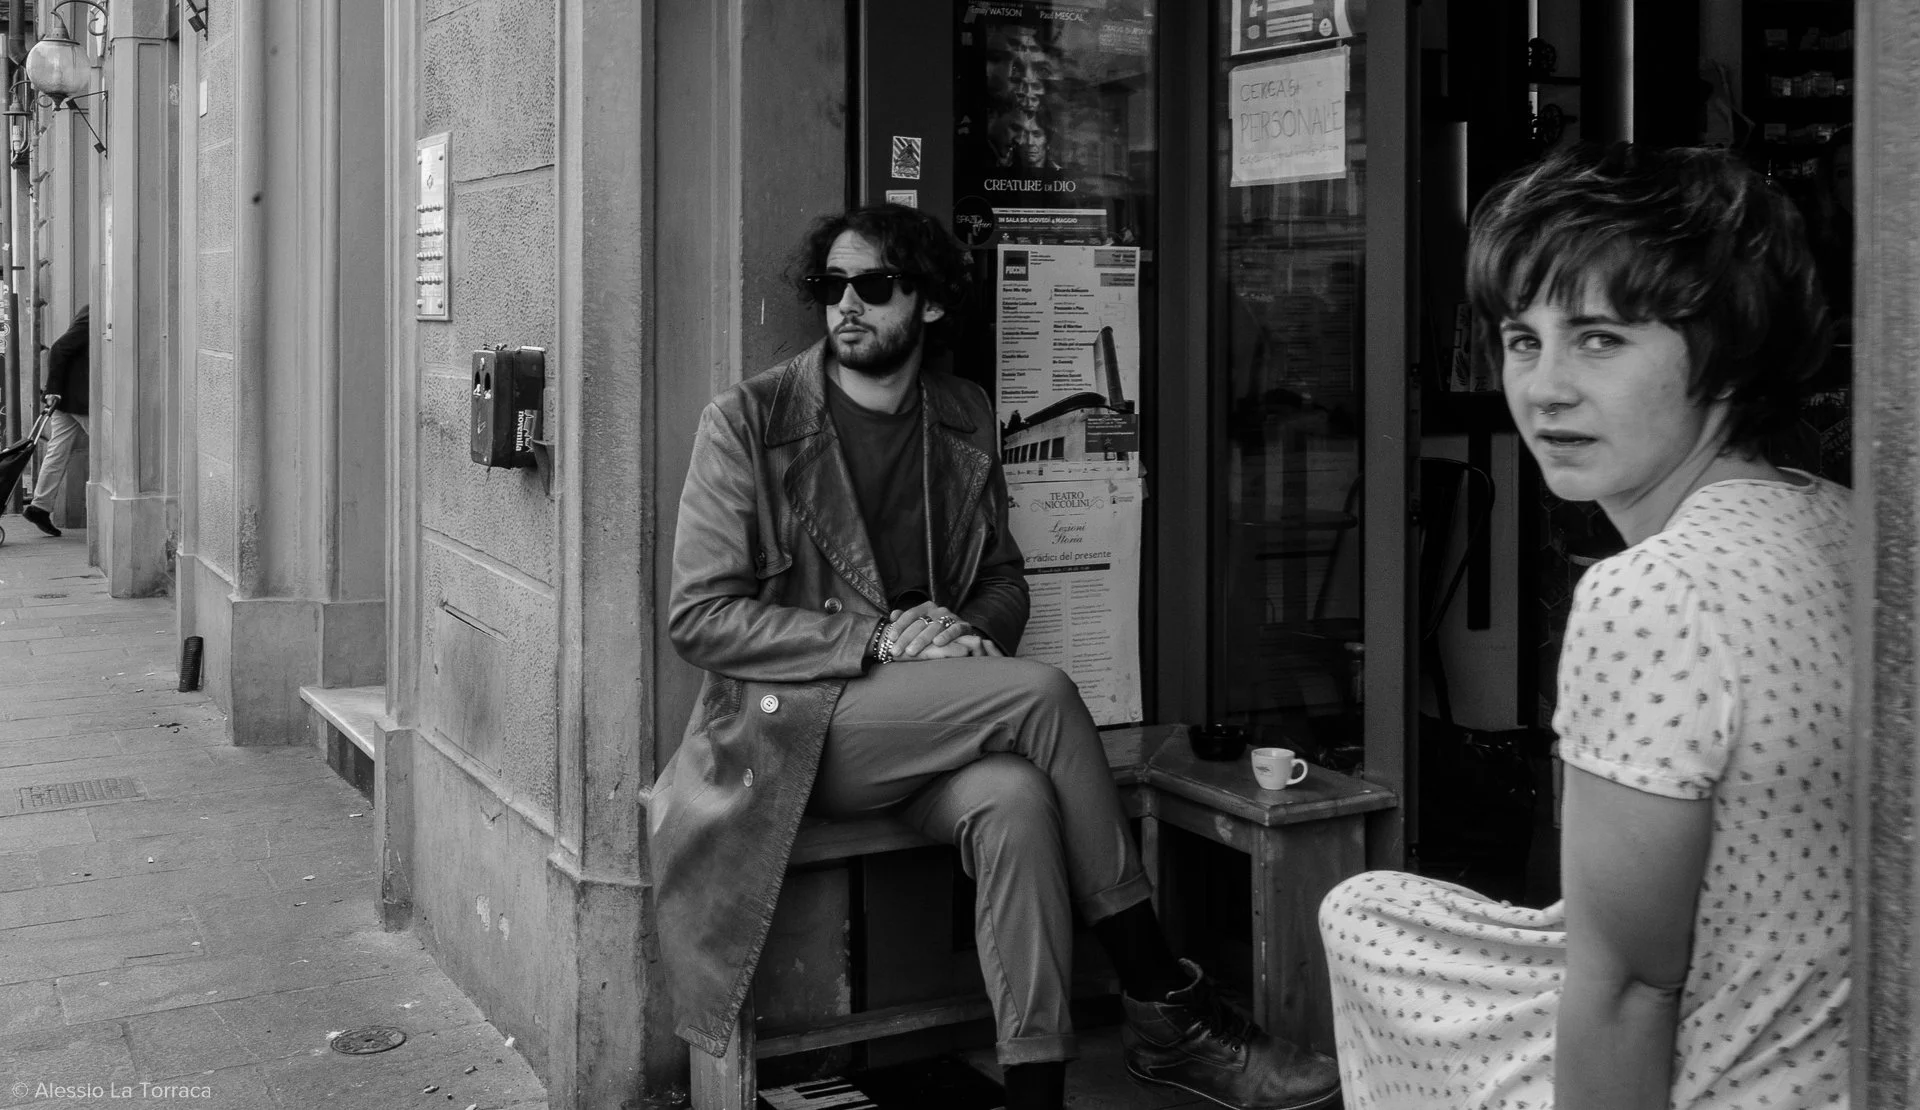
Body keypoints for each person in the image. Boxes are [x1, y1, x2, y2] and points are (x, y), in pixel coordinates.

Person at [647, 203, 1341, 1110]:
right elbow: (700, 618)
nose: (846, 305)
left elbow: (1007, 582)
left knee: (1015, 804)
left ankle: (1034, 1089)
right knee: (1043, 696)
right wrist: (880, 636)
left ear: (928, 303)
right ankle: (1166, 1003)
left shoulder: (964, 416)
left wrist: (970, 637)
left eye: (874, 285)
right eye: (832, 286)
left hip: (928, 720)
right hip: (799, 732)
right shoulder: (749, 421)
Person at [1318, 144, 1851, 1109]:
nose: (1545, 386)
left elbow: (1633, 989)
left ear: (1729, 348)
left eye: (1599, 337)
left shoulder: (1653, 592)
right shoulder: (1844, 519)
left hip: (1731, 1074)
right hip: (1830, 1045)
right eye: (1524, 339)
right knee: (1366, 909)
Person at [24, 305, 89, 537]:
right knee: (109, 449)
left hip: (66, 399)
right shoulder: (94, 312)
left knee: (57, 451)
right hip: (78, 401)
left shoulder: (90, 310)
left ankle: (40, 506)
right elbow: (60, 348)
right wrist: (53, 389)